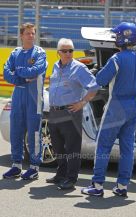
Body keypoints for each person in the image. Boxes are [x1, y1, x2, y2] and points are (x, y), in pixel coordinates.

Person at [81, 22, 136, 197]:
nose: (114, 39)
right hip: (135, 105)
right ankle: (122, 186)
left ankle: (97, 185)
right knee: (128, 148)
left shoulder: (116, 59)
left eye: (116, 36)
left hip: (117, 105)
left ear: (121, 38)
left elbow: (100, 80)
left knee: (103, 145)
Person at [46, 38, 99, 189]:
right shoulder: (56, 66)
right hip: (54, 112)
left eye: (71, 50)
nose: (68, 53)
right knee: (57, 146)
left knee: (72, 148)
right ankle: (61, 174)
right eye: (65, 50)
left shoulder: (79, 68)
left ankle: (71, 178)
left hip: (71, 113)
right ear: (58, 53)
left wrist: (82, 103)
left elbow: (94, 86)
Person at [3, 23, 47, 180]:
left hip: (34, 98)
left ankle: (34, 167)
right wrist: (22, 79)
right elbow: (6, 72)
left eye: (33, 33)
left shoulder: (40, 53)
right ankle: (16, 165)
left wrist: (18, 72)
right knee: (16, 131)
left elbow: (36, 70)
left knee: (34, 133)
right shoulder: (15, 53)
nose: (31, 36)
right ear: (21, 35)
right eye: (27, 33)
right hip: (18, 96)